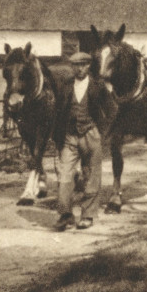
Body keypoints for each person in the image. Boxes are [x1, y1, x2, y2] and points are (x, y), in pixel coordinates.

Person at [53, 52, 110, 232]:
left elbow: (112, 110)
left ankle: (88, 215)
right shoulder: (65, 86)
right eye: (76, 65)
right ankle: (65, 215)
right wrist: (58, 138)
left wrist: (102, 132)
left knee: (92, 176)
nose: (80, 68)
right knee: (64, 175)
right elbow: (57, 112)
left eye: (84, 65)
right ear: (72, 67)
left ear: (88, 66)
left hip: (91, 135)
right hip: (69, 137)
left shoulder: (98, 86)